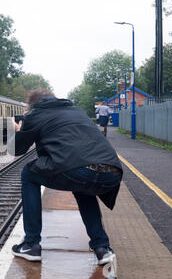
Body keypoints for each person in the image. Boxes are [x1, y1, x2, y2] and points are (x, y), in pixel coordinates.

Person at [8, 89, 123, 266]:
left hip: (78, 168)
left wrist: (19, 129)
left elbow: (15, 150)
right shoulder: (77, 111)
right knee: (83, 189)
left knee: (28, 174)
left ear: (32, 107)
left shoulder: (35, 114)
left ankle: (31, 244)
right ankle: (102, 248)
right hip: (112, 172)